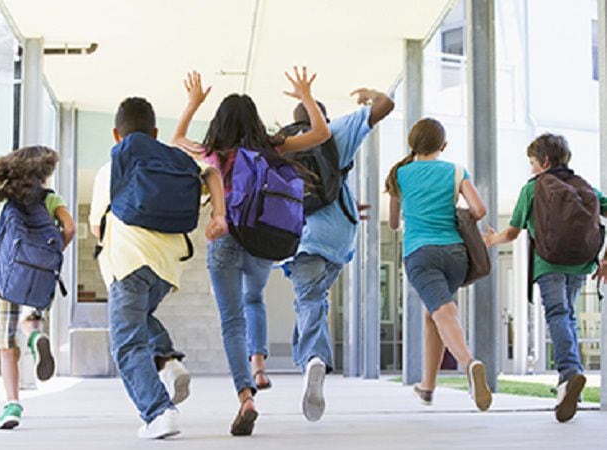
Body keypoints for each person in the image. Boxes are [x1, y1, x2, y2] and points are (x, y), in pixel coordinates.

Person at [171, 67, 330, 435]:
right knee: (254, 298)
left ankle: (245, 395)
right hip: (263, 239)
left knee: (231, 321)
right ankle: (260, 363)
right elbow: (321, 133)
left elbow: (177, 137)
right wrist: (306, 95)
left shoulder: (214, 152)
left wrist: (193, 102)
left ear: (221, 123)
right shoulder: (272, 147)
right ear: (254, 120)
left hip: (225, 238)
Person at [90, 97, 227, 439]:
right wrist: (219, 214)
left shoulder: (111, 168)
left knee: (127, 342)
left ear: (115, 135)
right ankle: (167, 359)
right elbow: (210, 173)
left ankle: (159, 413)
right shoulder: (174, 162)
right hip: (166, 269)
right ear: (155, 132)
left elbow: (96, 226)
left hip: (128, 263)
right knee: (140, 320)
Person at [282, 88, 394, 422]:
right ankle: (308, 359)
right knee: (312, 300)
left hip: (302, 236)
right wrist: (369, 95)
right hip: (340, 236)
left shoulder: (282, 143)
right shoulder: (336, 131)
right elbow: (386, 105)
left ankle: (314, 359)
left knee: (309, 301)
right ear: (323, 118)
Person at [484, 133, 607, 422]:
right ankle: (569, 379)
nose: (531, 168)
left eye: (532, 162)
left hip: (548, 263)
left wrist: (491, 240)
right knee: (568, 316)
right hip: (580, 264)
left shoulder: (533, 188)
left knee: (557, 314)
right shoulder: (585, 187)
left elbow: (512, 232)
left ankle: (569, 374)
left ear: (545, 161)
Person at [386, 117, 492, 412]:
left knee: (444, 312)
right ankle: (428, 387)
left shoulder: (400, 174)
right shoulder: (456, 171)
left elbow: (394, 223)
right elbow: (479, 209)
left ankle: (469, 364)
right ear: (443, 146)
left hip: (421, 254)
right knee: (432, 314)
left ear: (413, 143)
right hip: (456, 254)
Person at [0, 146, 76, 430]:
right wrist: (52, 255)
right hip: (39, 274)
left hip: (5, 278)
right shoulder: (50, 198)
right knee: (30, 318)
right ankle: (35, 338)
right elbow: (70, 227)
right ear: (43, 173)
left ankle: (12, 405)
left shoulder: (1, 200)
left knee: (6, 346)